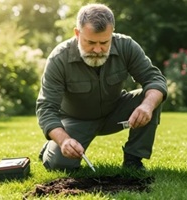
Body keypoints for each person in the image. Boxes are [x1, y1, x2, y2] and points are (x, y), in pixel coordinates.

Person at [36, 3, 167, 171]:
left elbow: (155, 79)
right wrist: (64, 140)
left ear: (111, 33)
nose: (98, 49)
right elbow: (46, 108)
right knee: (59, 165)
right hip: (76, 120)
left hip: (115, 113)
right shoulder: (58, 59)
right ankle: (51, 146)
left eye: (104, 42)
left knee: (151, 97)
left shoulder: (126, 46)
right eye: (90, 42)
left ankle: (133, 160)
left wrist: (147, 106)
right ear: (77, 33)